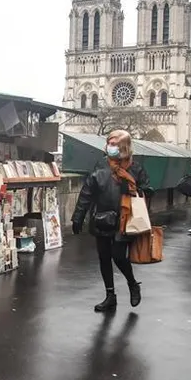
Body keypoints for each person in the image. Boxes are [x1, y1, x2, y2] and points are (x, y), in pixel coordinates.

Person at [71, 130, 152, 312]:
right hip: (102, 217)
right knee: (104, 257)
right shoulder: (101, 164)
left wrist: (132, 189)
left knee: (118, 255)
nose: (110, 147)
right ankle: (110, 296)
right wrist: (78, 216)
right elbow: (87, 192)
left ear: (124, 147)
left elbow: (147, 189)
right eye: (109, 142)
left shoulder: (135, 168)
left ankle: (132, 284)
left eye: (115, 144)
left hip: (124, 220)